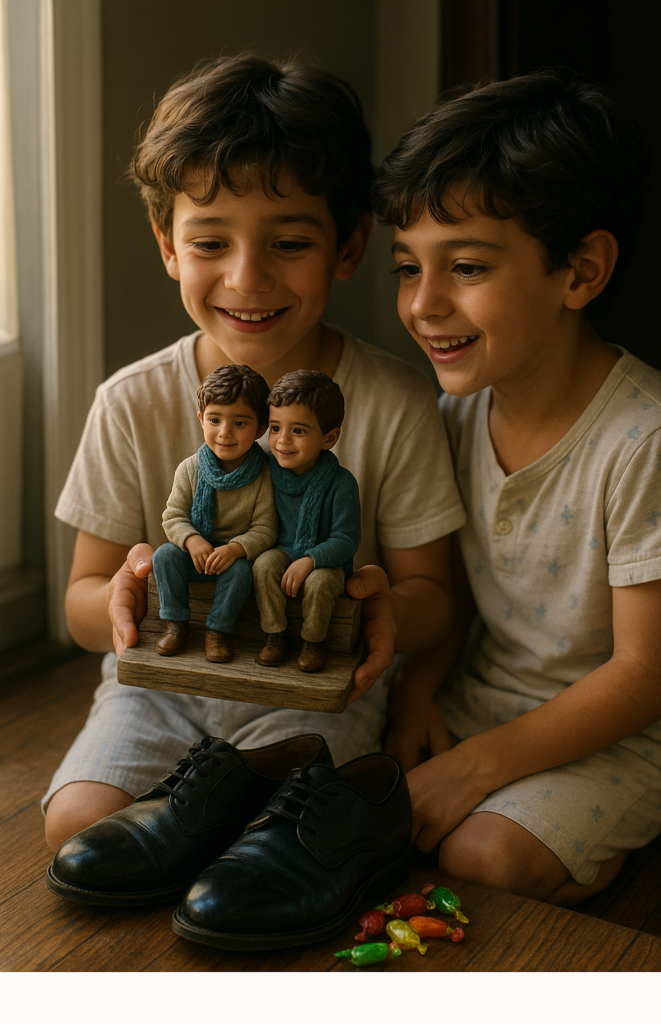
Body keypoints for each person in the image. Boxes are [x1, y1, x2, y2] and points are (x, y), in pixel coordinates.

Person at [43, 54, 464, 852]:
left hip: (316, 687)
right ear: (167, 245)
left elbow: (432, 600)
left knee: (270, 848)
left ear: (348, 245)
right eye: (210, 243)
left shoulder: (397, 402)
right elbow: (80, 605)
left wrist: (376, 602)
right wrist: (125, 597)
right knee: (76, 828)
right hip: (161, 688)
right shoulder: (129, 402)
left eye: (289, 242)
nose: (246, 277)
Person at [374, 70, 661, 906]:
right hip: (485, 696)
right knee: (337, 786)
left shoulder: (644, 435)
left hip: (624, 729)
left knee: (483, 858)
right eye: (408, 267)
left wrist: (475, 767)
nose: (423, 304)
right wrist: (417, 691)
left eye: (465, 266)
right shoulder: (451, 415)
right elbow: (460, 591)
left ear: (580, 272)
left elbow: (645, 675)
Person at [153, 363, 276, 663]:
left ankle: (217, 631)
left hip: (231, 560)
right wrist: (192, 540)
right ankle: (176, 623)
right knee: (164, 556)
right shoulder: (190, 468)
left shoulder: (264, 474)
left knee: (241, 572)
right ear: (201, 420)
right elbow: (173, 516)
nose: (225, 433)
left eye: (240, 423)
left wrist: (235, 549)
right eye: (215, 420)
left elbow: (266, 528)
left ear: (260, 428)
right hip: (196, 554)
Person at [253, 370, 361, 674]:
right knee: (263, 565)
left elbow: (346, 540)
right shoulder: (263, 468)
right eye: (275, 428)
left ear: (329, 437)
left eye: (298, 431)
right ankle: (274, 635)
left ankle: (313, 642)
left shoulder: (341, 484)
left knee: (320, 583)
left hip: (324, 562)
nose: (282, 440)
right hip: (280, 551)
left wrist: (311, 560)